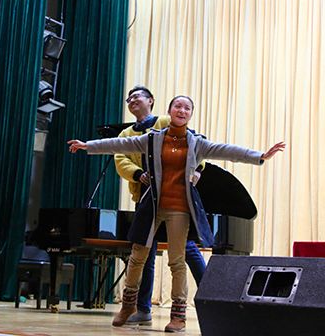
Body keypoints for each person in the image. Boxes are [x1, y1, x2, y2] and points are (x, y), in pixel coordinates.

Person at [69, 96, 285, 332]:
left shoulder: (196, 142)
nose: (182, 110)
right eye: (178, 106)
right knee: (137, 256)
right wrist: (88, 146)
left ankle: (178, 315)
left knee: (177, 261)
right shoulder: (153, 139)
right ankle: (129, 305)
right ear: (170, 111)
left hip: (179, 210)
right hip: (152, 206)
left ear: (190, 114)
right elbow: (120, 145)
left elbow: (227, 151)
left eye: (187, 108)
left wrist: (260, 156)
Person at [114, 86, 206, 324]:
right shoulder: (125, 134)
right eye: (129, 98)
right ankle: (142, 309)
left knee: (185, 251)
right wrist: (137, 174)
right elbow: (120, 158)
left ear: (151, 101)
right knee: (143, 255)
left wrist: (197, 169)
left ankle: (208, 299)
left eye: (137, 96)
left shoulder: (166, 121)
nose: (132, 100)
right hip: (147, 200)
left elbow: (195, 146)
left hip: (175, 200)